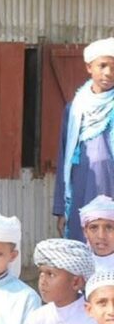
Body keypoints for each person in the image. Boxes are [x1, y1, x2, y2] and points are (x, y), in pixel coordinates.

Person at [54, 37, 114, 241]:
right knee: (82, 245)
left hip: (111, 187)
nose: (108, 73)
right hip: (81, 190)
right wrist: (61, 208)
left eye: (113, 67)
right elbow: (64, 158)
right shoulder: (75, 109)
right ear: (89, 67)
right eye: (102, 65)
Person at [79, 194, 114, 272]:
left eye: (109, 228)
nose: (101, 236)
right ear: (85, 232)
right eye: (94, 228)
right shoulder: (78, 267)